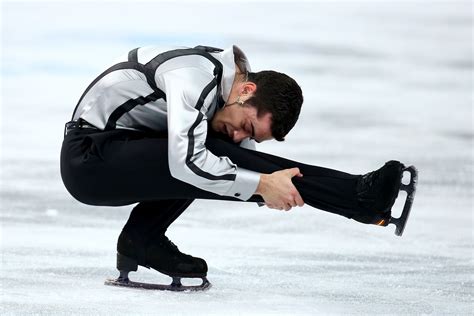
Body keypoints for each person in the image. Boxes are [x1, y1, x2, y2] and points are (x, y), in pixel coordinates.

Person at [60, 45, 416, 289]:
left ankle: (141, 239)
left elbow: (235, 165)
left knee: (216, 151)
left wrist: (264, 184)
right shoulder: (193, 76)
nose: (241, 135)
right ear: (246, 90)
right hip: (89, 159)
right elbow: (186, 163)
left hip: (124, 150)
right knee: (198, 152)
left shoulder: (227, 96)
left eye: (252, 135)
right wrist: (262, 186)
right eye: (248, 126)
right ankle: (357, 197)